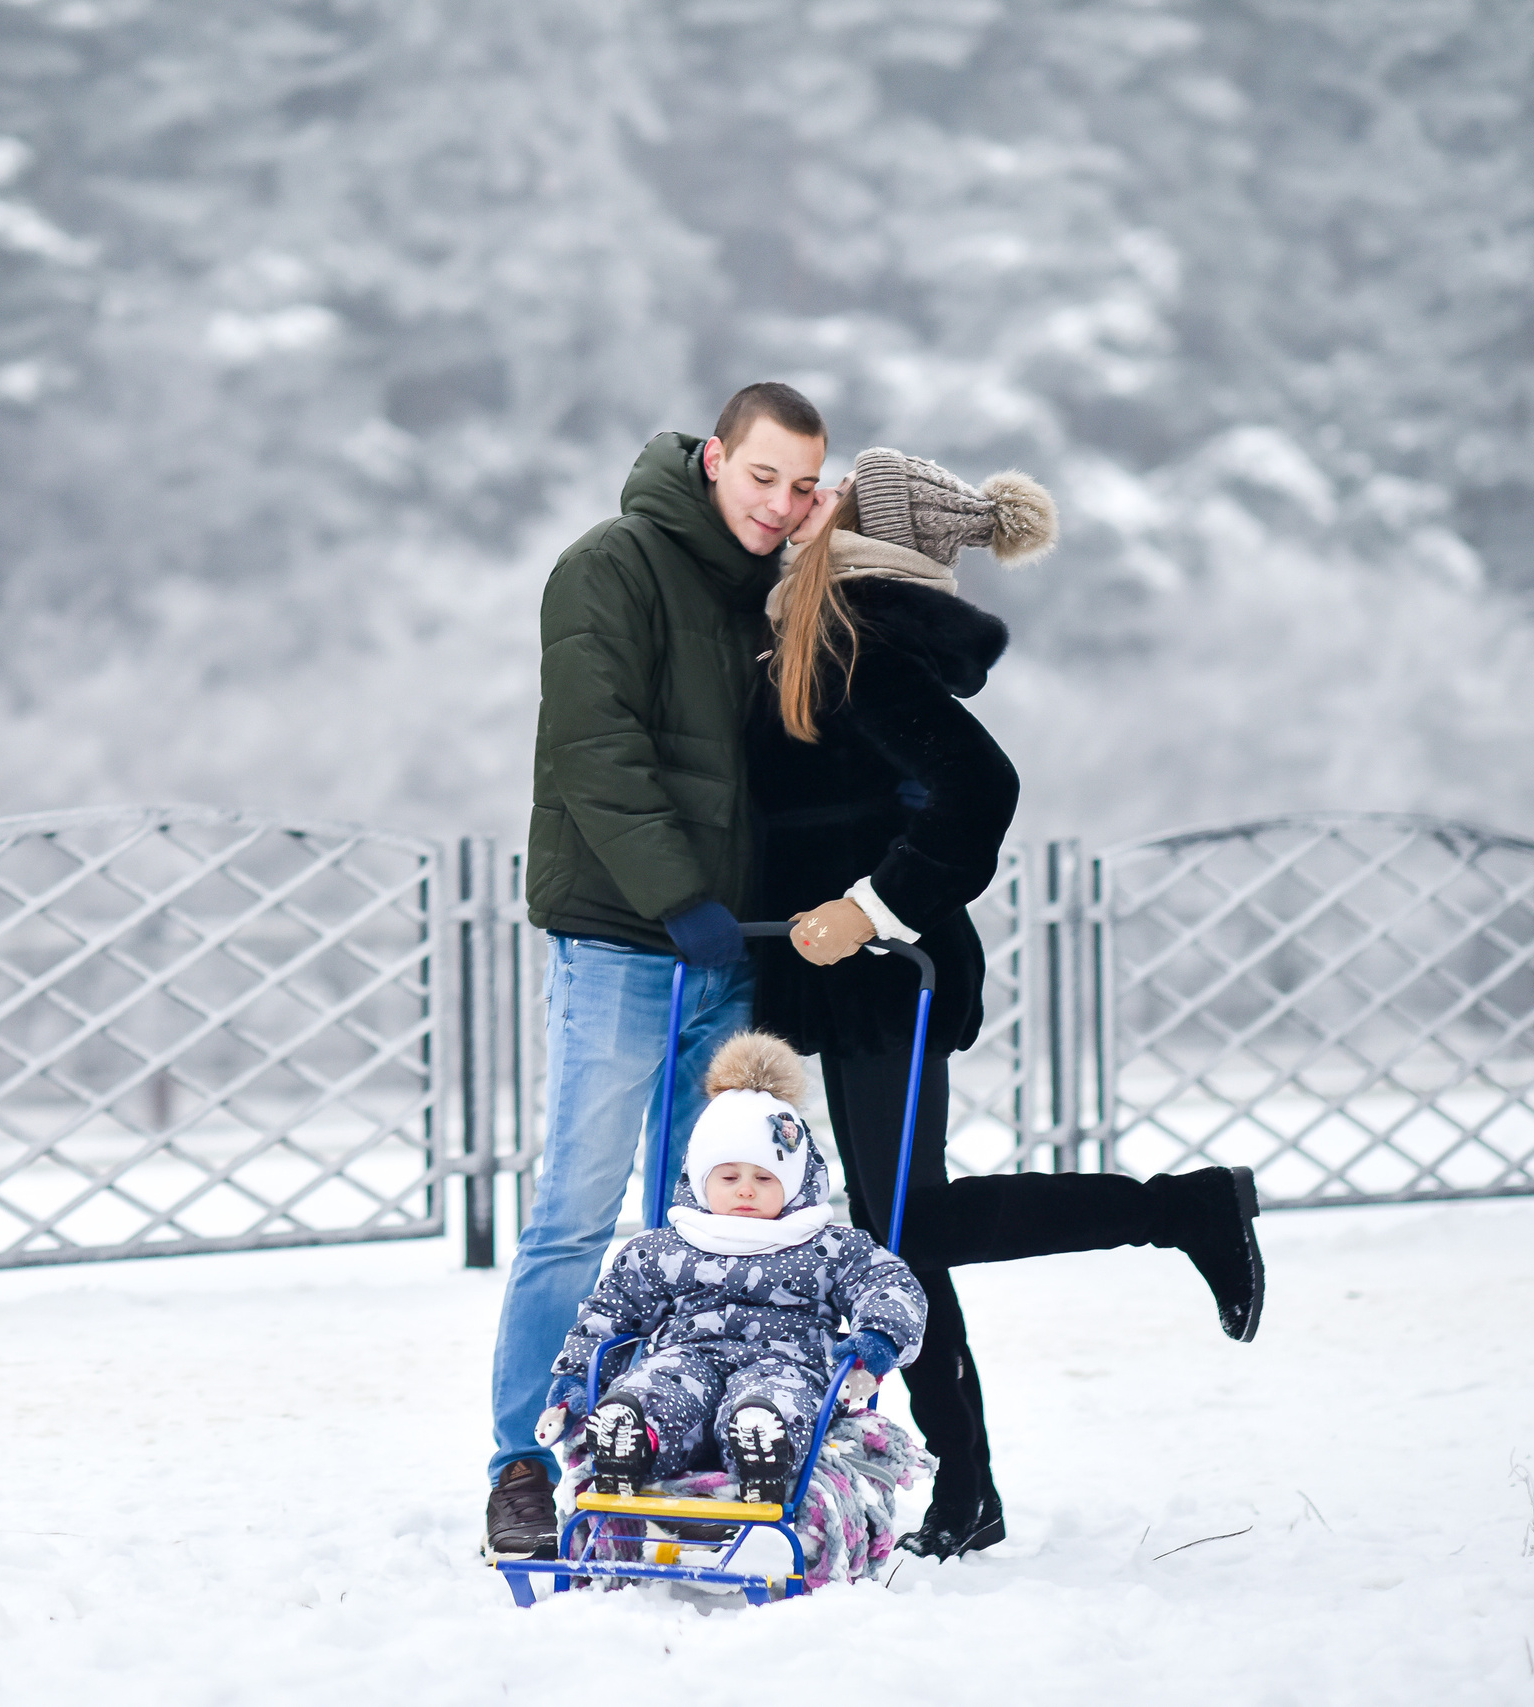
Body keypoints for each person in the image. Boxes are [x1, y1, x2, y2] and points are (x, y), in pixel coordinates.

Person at [750, 446, 1267, 1561]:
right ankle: (964, 1495)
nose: (802, 507)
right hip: (827, 972)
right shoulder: (815, 632)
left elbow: (978, 789)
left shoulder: (856, 639)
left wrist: (874, 907)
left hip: (882, 971)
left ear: (862, 531)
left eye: (824, 496)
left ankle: (1183, 1210)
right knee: (899, 1233)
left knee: (900, 1229)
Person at [482, 382, 829, 1562]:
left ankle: (652, 1439)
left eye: (800, 487)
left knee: (698, 1221)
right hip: (625, 937)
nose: (778, 505)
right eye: (761, 478)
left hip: (724, 948)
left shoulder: (767, 589)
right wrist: (676, 897)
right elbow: (594, 744)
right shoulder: (611, 565)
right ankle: (524, 1462)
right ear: (715, 458)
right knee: (576, 1216)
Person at [533, 1032, 927, 1506]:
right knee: (657, 1383)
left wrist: (879, 1336)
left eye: (764, 1178)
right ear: (701, 1179)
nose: (745, 1190)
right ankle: (633, 1438)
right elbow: (608, 1314)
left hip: (788, 1361)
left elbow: (887, 1283)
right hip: (687, 1356)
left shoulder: (827, 1246)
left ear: (796, 1183)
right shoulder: (663, 1249)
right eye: (728, 1177)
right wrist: (577, 1378)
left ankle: (761, 1448)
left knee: (776, 1396)